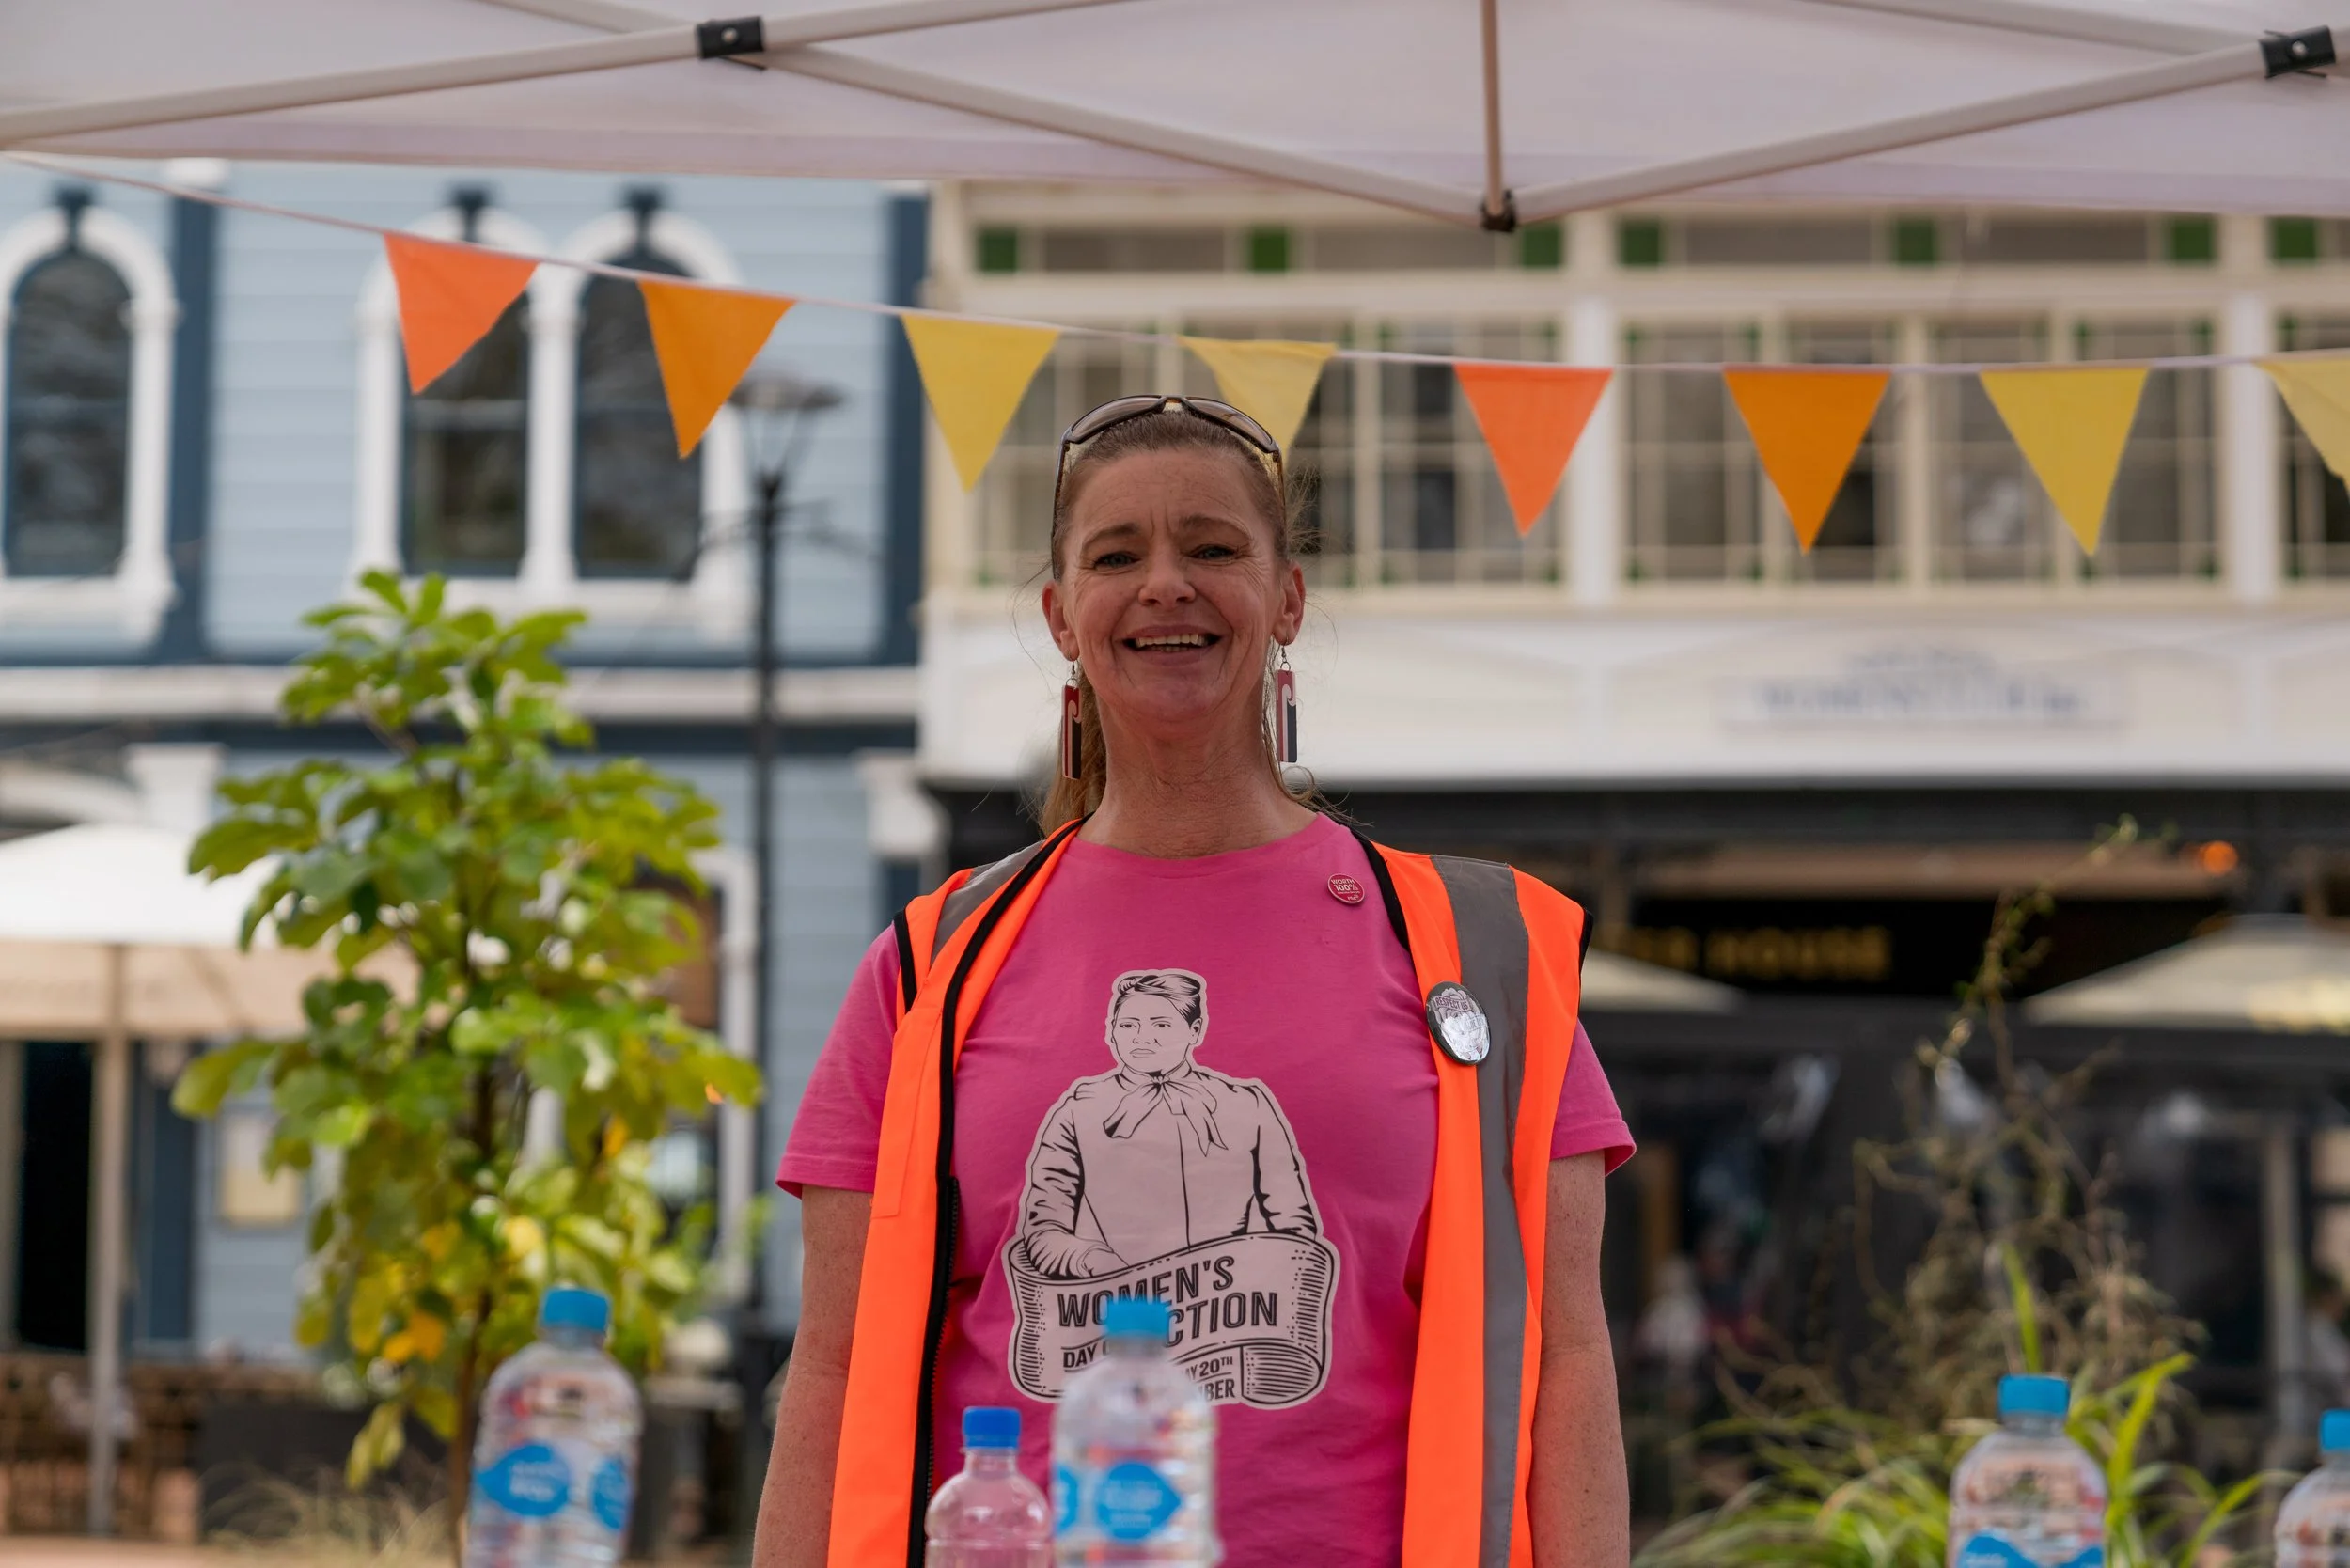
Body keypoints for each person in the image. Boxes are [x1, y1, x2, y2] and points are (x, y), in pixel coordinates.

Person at [755, 395, 1636, 1568]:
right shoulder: (933, 964)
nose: (1165, 583)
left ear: (1287, 598)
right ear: (1062, 617)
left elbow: (1567, 1360)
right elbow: (831, 1366)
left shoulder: (1480, 956)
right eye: (1117, 555)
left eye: (1213, 548)